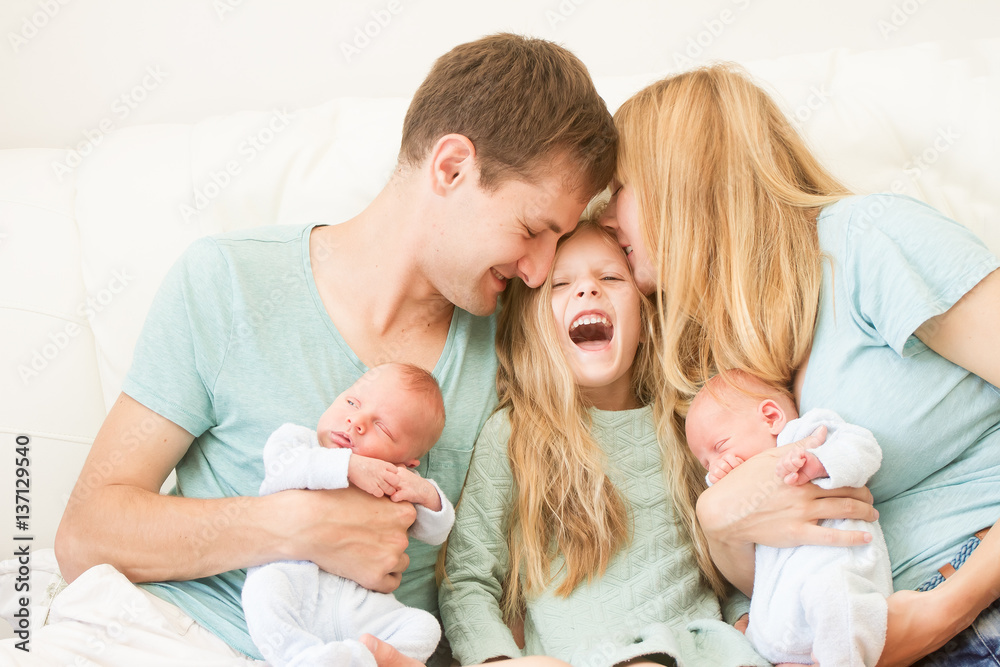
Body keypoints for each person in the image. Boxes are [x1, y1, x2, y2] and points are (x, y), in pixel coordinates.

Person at [9, 33, 616, 666]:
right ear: (452, 168)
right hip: (167, 636)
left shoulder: (522, 346)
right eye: (532, 229)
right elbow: (87, 533)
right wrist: (297, 526)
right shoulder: (229, 282)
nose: (541, 269)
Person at [601, 62, 1000, 666]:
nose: (605, 220)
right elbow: (773, 576)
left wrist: (951, 605)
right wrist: (720, 519)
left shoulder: (866, 242)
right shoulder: (717, 371)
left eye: (618, 191)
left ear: (679, 180)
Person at [440, 219, 770, 667]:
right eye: (560, 284)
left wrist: (746, 616)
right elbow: (467, 578)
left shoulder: (687, 426)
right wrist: (495, 661)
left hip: (701, 649)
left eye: (611, 278)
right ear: (532, 328)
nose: (588, 290)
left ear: (644, 317)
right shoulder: (515, 435)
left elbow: (725, 564)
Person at [242, 362, 452, 666]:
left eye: (382, 427)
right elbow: (281, 472)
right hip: (293, 578)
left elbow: (438, 532)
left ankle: (360, 658)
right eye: (352, 402)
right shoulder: (298, 443)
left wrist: (425, 494)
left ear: (408, 462)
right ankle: (300, 657)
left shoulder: (394, 479)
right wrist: (348, 466)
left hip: (362, 606)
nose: (356, 421)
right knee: (263, 595)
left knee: (425, 628)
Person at [685, 370, 893, 666]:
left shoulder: (807, 435)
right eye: (706, 463)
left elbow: (864, 447)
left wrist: (821, 463)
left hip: (837, 583)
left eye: (720, 448)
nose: (716, 466)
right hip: (777, 627)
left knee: (835, 600)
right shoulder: (738, 501)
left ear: (770, 417)